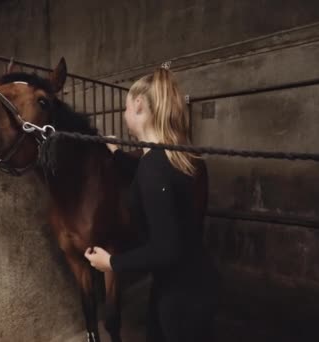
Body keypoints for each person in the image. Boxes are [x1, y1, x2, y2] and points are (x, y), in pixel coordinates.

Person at [84, 68, 219, 342]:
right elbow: (149, 179)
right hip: (190, 281)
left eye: (125, 108)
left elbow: (167, 249)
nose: (123, 115)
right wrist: (118, 153)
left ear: (139, 105)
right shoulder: (175, 156)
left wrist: (111, 262)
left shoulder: (154, 168)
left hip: (181, 294)